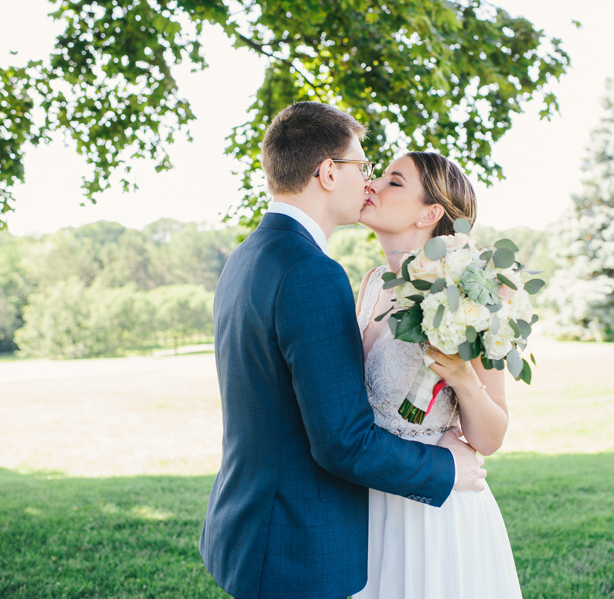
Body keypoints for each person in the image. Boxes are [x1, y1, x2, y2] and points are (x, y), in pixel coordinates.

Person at [198, 103, 487, 599]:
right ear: (329, 172)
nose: (369, 182)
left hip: (250, 526)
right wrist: (447, 469)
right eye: (364, 168)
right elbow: (341, 441)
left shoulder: (247, 256)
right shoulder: (313, 272)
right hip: (294, 541)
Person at [354, 152, 522, 598]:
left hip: (434, 510)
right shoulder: (370, 283)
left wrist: (464, 380)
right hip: (368, 499)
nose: (372, 185)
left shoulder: (465, 289)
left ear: (430, 213)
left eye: (393, 181)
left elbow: (490, 438)